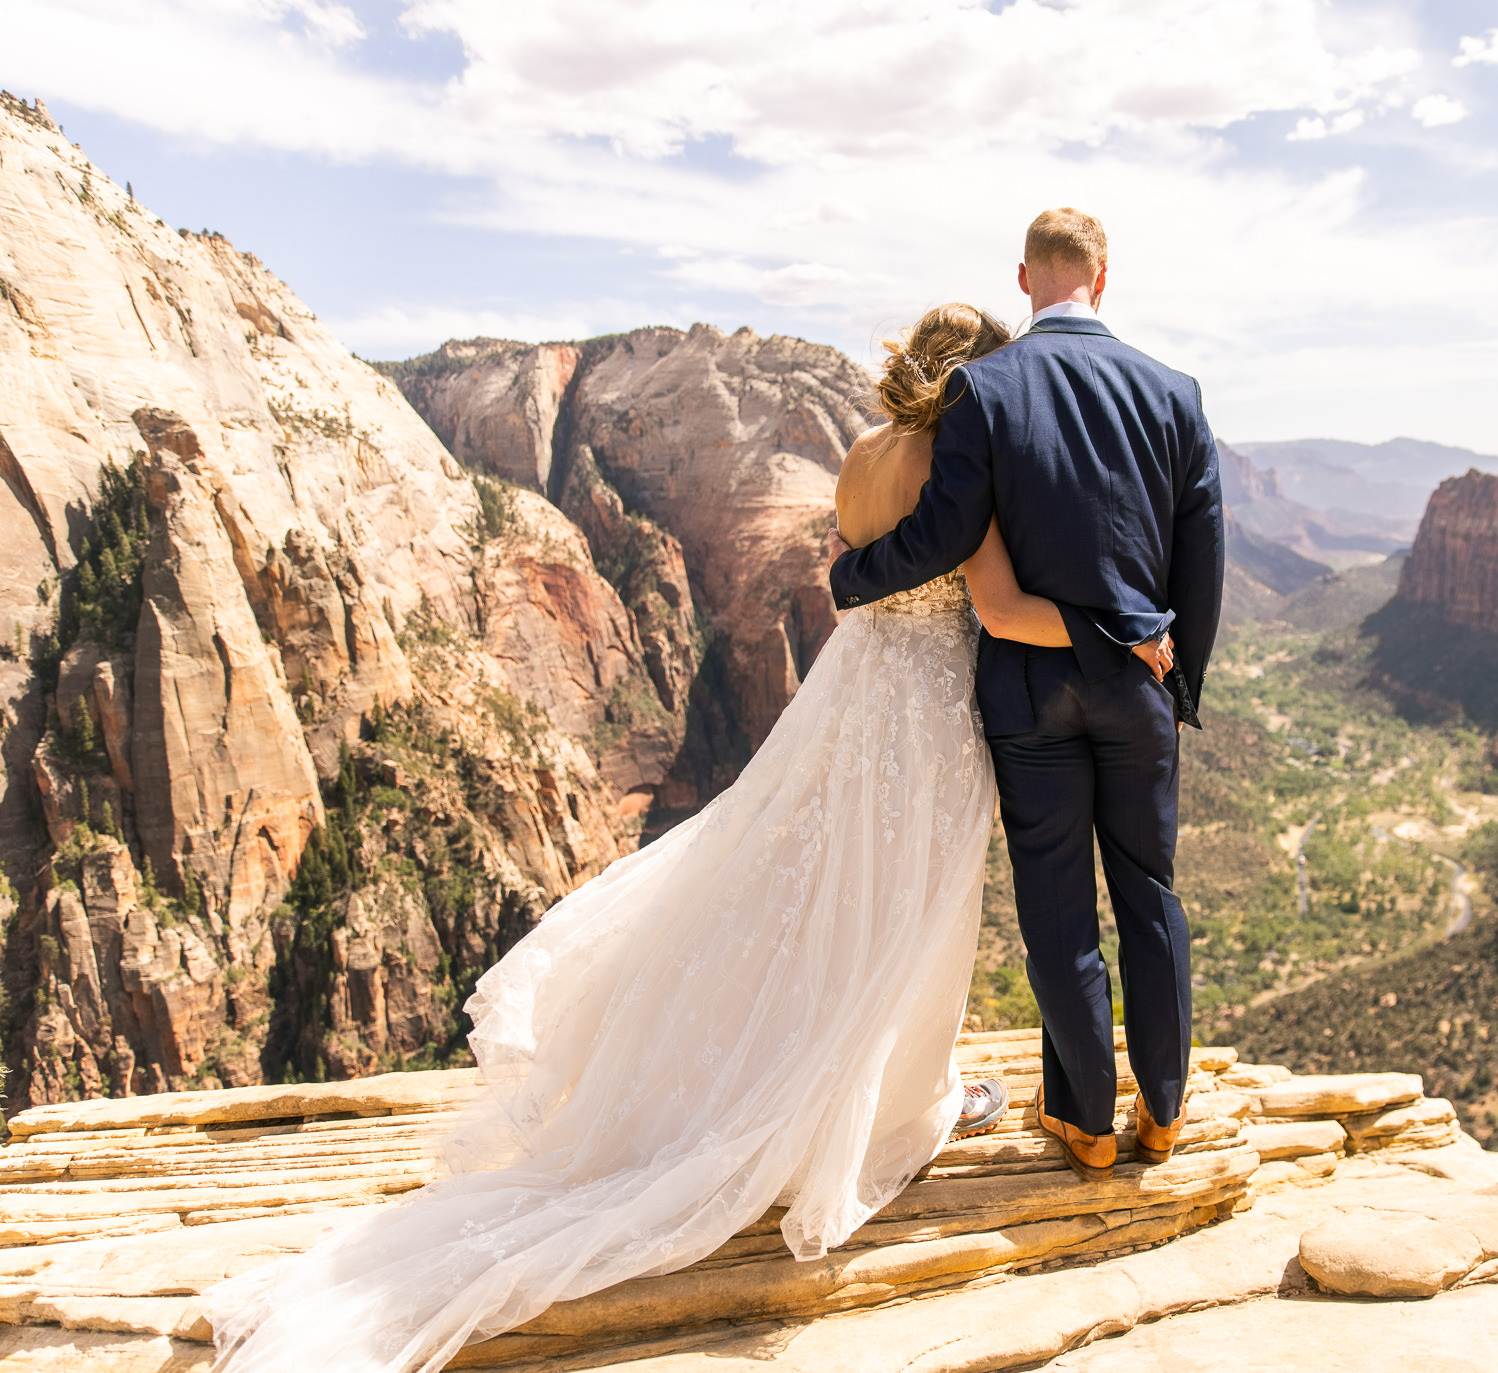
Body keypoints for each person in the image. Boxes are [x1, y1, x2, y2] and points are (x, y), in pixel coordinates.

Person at [204, 301, 1172, 1373]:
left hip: (849, 696)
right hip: (931, 714)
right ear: (979, 384)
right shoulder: (965, 470)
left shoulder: (858, 453)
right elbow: (994, 608)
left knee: (811, 890)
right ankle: (895, 1104)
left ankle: (800, 1072)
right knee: (910, 907)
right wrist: (1120, 635)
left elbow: (852, 581)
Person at [830, 207, 1226, 1180]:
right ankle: (1164, 1111)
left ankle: (1085, 1119)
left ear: (1024, 277)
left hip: (1029, 685)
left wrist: (851, 576)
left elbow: (946, 532)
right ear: (1103, 276)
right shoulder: (1175, 390)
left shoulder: (985, 387)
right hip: (1141, 676)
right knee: (1149, 893)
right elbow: (1203, 552)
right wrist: (1181, 677)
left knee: (1057, 904)